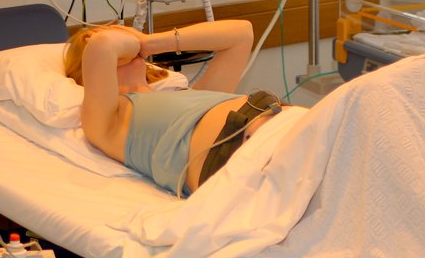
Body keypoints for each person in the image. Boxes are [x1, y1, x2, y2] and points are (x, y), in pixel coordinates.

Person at [64, 20, 283, 196]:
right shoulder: (108, 121)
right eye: (121, 36)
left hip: (279, 126)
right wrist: (129, 43)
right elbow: (103, 45)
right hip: (241, 159)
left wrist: (149, 42)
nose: (127, 37)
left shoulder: (189, 94)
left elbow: (241, 33)